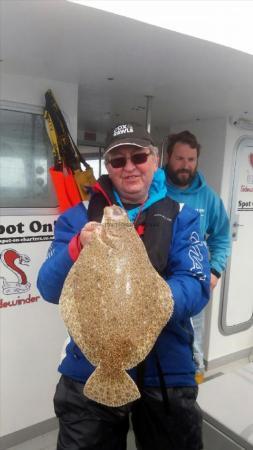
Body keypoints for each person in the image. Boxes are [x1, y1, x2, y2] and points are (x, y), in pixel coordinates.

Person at [37, 123, 210, 450]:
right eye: (118, 160)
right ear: (108, 167)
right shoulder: (76, 219)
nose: (129, 166)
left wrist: (148, 302)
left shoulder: (182, 217)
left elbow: (195, 284)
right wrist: (76, 246)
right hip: (88, 370)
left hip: (166, 371)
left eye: (138, 156)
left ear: (155, 161)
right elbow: (48, 287)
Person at [164, 130, 231, 380]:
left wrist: (214, 271)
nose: (185, 165)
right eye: (180, 158)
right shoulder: (155, 189)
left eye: (191, 160)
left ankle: (193, 387)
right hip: (156, 281)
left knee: (193, 346)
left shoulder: (209, 197)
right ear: (168, 157)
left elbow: (222, 237)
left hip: (193, 283)